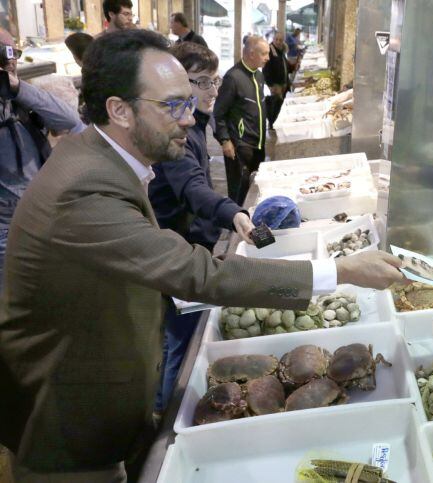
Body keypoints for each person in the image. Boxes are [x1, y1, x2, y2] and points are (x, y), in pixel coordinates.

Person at [0, 29, 404, 482]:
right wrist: (341, 270)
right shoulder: (83, 187)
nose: (190, 118)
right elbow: (193, 271)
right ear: (120, 110)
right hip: (66, 428)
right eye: (173, 105)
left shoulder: (102, 159)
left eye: (188, 101)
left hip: (105, 409)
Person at [148, 42, 248, 415]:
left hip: (188, 243)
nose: (212, 90)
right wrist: (231, 212)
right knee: (180, 336)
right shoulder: (175, 137)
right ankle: (167, 415)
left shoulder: (192, 127)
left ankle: (163, 408)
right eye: (202, 82)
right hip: (178, 248)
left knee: (177, 335)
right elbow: (192, 187)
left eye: (214, 80)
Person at [0, 28, 84, 290]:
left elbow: (71, 121)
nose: (9, 60)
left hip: (39, 219)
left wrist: (17, 87)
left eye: (14, 53)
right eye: (4, 53)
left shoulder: (20, 101)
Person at [213, 35, 269, 205]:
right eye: (264, 54)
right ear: (252, 54)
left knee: (254, 188)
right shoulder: (233, 78)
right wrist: (225, 140)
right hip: (240, 144)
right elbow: (219, 112)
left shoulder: (259, 76)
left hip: (258, 143)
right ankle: (235, 224)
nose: (267, 58)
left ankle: (250, 220)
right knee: (239, 189)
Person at [263, 30, 290, 129]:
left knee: (278, 103)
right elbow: (265, 69)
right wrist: (270, 85)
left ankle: (272, 122)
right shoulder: (270, 51)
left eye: (281, 40)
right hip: (275, 84)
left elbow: (283, 66)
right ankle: (271, 123)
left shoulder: (280, 50)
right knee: (275, 103)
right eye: (276, 39)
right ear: (273, 39)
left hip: (281, 83)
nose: (278, 42)